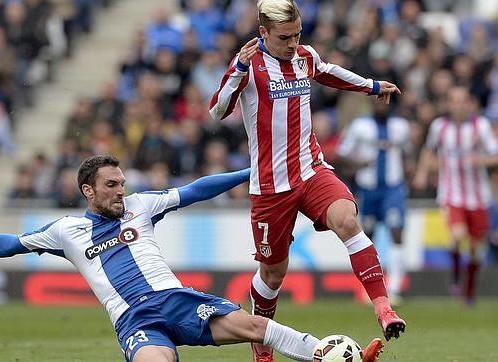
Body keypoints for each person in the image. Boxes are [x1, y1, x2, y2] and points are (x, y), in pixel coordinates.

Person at [0, 155, 384, 362]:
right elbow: (9, 243)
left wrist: (253, 169)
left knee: (255, 328)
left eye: (123, 183)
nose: (122, 191)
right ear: (88, 191)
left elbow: (196, 190)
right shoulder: (65, 231)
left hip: (175, 299)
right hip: (135, 318)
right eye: (112, 186)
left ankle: (326, 354)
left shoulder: (142, 205)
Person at [208, 1, 405, 359]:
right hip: (270, 186)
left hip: (311, 169)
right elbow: (218, 110)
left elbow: (330, 72)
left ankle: (383, 308)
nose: (292, 43)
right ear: (263, 32)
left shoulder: (304, 56)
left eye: (297, 34)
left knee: (347, 220)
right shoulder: (249, 65)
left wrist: (372, 86)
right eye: (285, 37)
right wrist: (236, 67)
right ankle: (262, 349)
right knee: (272, 275)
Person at [413, 86, 498, 306]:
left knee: (476, 250)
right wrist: (422, 172)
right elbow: (428, 150)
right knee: (457, 236)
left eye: (462, 101)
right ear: (449, 104)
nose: (458, 105)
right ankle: (457, 277)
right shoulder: (439, 127)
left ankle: (468, 291)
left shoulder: (481, 127)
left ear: (469, 104)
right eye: (454, 101)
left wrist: (480, 160)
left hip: (478, 197)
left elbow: (495, 156)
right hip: (452, 195)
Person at [336, 100, 411, 305]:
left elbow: (408, 152)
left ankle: (394, 289)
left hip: (393, 188)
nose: (383, 105)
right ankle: (370, 291)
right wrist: (358, 163)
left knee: (396, 232)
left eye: (387, 101)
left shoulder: (400, 127)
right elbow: (341, 154)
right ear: (372, 103)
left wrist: (409, 172)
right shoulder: (359, 126)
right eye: (379, 100)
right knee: (366, 237)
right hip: (368, 188)